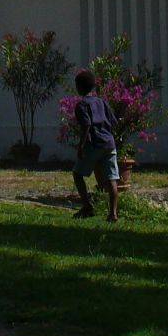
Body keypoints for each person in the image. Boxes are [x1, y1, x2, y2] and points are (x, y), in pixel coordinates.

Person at [70, 69, 120, 223]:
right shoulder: (102, 102)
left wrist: (81, 146)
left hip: (94, 143)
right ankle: (112, 214)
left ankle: (87, 206)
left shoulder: (81, 105)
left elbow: (86, 125)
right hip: (109, 143)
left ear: (79, 87)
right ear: (93, 87)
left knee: (78, 174)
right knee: (111, 178)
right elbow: (114, 122)